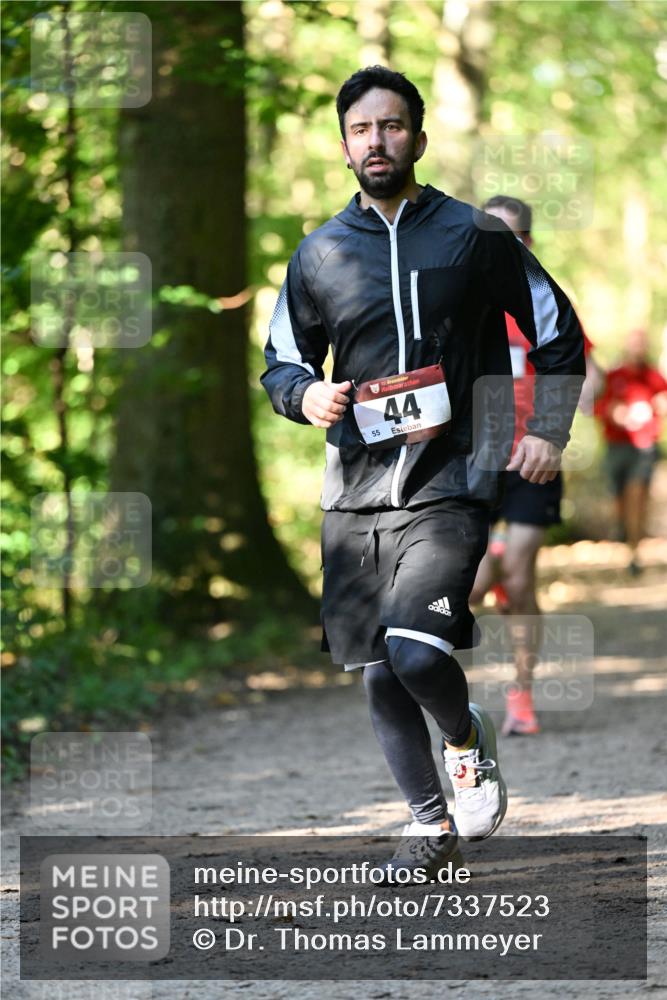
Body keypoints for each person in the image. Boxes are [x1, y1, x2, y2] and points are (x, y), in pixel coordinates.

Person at [261, 67, 585, 880]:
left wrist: (544, 430)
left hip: (453, 479)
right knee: (377, 672)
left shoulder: (473, 236)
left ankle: (466, 740)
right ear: (343, 146)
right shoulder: (319, 252)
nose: (378, 141)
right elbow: (281, 362)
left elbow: (556, 331)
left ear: (418, 136)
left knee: (413, 650)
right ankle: (428, 823)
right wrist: (307, 397)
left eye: (393, 126)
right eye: (362, 129)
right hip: (356, 492)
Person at [468, 195, 602, 737]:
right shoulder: (459, 306)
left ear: (527, 244)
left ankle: (520, 696)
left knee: (520, 575)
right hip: (473, 458)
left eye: (510, 238)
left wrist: (583, 392)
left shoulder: (545, 304)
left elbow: (584, 368)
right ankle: (452, 707)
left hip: (534, 455)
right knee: (472, 587)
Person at [595, 328, 667, 574]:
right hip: (616, 446)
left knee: (637, 496)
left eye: (642, 343)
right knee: (620, 500)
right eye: (634, 343)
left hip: (644, 446)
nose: (638, 348)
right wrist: (616, 413)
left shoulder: (655, 377)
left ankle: (634, 554)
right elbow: (600, 406)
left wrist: (657, 406)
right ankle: (623, 530)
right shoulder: (614, 376)